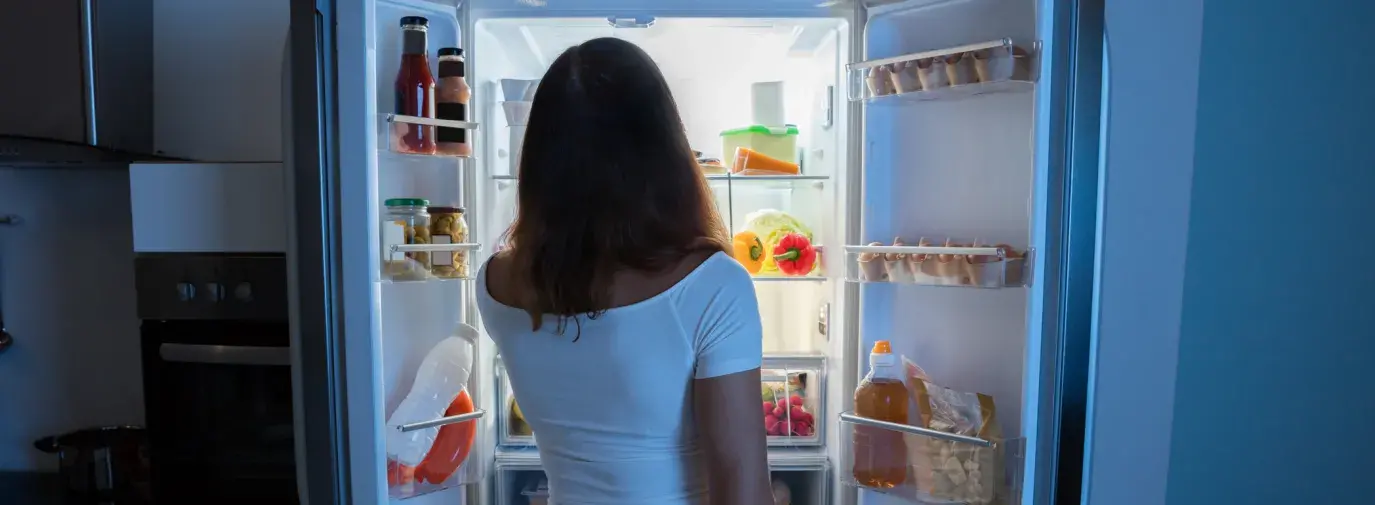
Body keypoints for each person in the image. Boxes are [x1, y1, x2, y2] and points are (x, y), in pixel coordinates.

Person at [477, 37, 772, 505]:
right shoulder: (714, 288)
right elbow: (745, 495)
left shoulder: (495, 283)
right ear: (665, 150)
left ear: (539, 157)